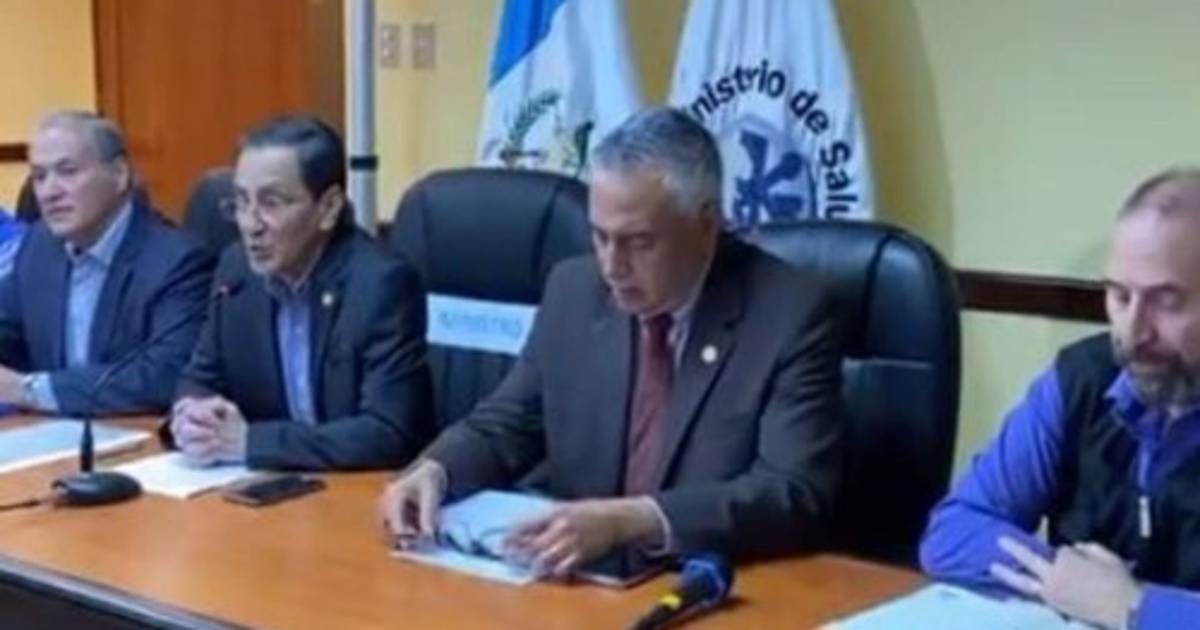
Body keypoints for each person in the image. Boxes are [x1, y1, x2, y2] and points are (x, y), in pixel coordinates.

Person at [378, 107, 843, 575]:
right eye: (600, 237)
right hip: (578, 584)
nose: (612, 266)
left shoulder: (789, 313)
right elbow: (508, 423)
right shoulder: (574, 290)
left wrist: (637, 521)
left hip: (711, 584)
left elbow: (793, 493)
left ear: (706, 225)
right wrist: (435, 470)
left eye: (639, 242)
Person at [920, 169, 1200, 629]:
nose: (1133, 332)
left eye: (1166, 302)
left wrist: (1135, 608)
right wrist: (1068, 582)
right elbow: (954, 531)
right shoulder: (1081, 381)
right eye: (1119, 295)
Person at [169, 115, 432, 471]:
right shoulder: (236, 271)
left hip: (358, 488)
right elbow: (201, 376)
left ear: (328, 208)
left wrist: (250, 442)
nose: (250, 224)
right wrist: (192, 414)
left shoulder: (380, 284)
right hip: (264, 485)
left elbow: (388, 432)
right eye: (241, 202)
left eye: (271, 203)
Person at [0, 110, 213, 416]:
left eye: (67, 172)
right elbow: (7, 330)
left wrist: (28, 390)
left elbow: (163, 376)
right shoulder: (39, 246)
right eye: (39, 176)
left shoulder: (178, 262)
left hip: (136, 434)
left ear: (120, 174)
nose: (49, 192)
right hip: (50, 431)